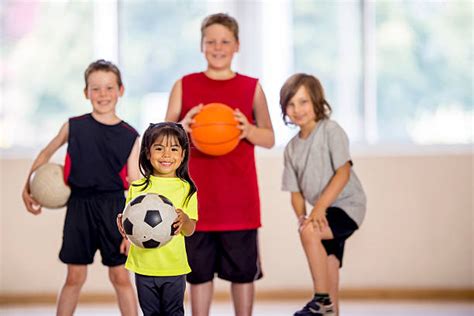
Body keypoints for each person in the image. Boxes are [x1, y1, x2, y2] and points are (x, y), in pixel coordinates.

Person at [165, 12, 274, 316]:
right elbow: (160, 139)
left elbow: (269, 137)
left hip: (240, 203)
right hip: (194, 202)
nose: (217, 46)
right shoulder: (184, 85)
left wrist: (247, 130)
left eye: (225, 41)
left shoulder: (251, 87)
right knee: (198, 276)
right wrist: (181, 128)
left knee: (242, 275)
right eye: (211, 41)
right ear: (201, 45)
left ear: (237, 45)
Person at [21, 59, 140, 315]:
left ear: (121, 90)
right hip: (79, 207)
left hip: (115, 210)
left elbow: (135, 187)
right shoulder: (74, 126)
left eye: (109, 88)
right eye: (95, 88)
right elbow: (45, 153)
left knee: (120, 277)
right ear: (86, 92)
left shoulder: (131, 135)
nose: (102, 94)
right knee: (74, 277)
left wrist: (130, 231)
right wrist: (26, 186)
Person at [279, 73, 366, 316]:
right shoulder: (291, 149)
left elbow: (343, 173)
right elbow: (295, 192)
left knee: (309, 232)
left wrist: (316, 211)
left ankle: (320, 301)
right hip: (324, 210)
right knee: (329, 268)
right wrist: (301, 216)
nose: (297, 109)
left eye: (303, 102)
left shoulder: (330, 130)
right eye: (291, 104)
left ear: (317, 102)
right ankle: (330, 308)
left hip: (347, 206)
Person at [116, 122, 198, 316]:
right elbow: (130, 224)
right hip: (144, 267)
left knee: (173, 312)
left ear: (183, 154)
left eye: (174, 149)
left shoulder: (187, 189)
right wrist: (123, 229)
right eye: (159, 148)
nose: (166, 155)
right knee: (150, 312)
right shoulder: (137, 188)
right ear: (147, 153)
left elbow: (191, 229)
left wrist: (185, 220)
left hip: (174, 267)